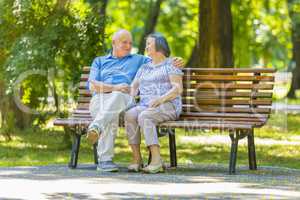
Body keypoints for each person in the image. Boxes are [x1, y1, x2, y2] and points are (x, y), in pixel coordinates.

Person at [87, 29, 184, 172]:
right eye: (124, 42)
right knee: (122, 110)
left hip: (139, 101)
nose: (128, 46)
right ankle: (135, 159)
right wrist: (117, 88)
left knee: (119, 99)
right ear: (113, 43)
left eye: (130, 43)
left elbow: (165, 63)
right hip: (102, 98)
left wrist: (179, 60)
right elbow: (93, 85)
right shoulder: (100, 61)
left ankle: (100, 138)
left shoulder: (142, 60)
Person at [125, 33, 183, 173]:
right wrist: (129, 99)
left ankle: (156, 161)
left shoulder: (171, 64)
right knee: (130, 114)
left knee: (145, 116)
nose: (146, 46)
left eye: (149, 43)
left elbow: (177, 89)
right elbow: (134, 86)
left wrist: (160, 99)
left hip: (168, 105)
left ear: (160, 46)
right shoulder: (145, 67)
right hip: (146, 105)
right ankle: (137, 159)